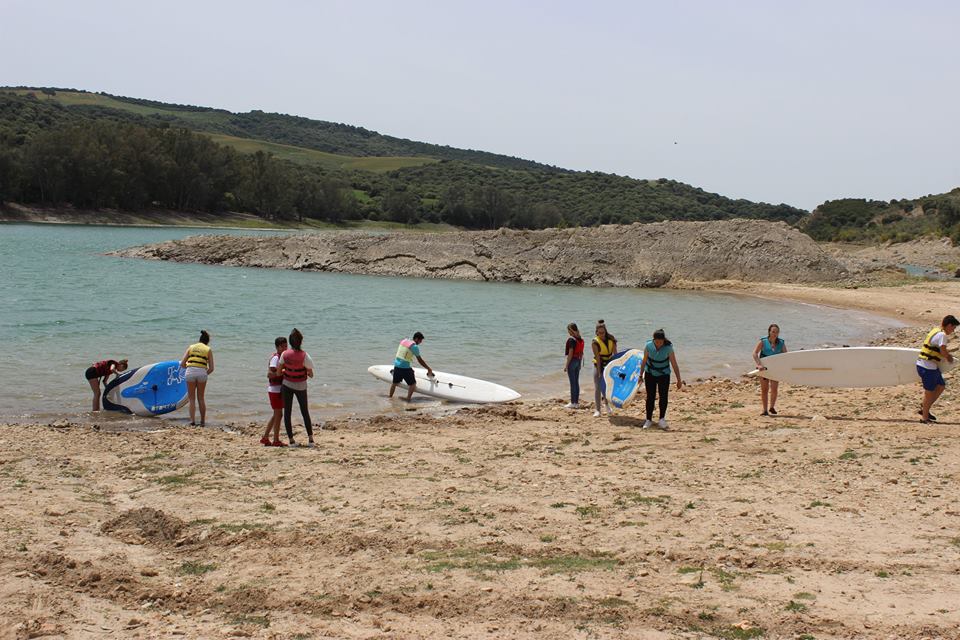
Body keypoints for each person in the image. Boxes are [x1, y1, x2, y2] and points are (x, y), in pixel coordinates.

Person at [277, 328, 315, 446]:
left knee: (287, 412)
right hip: (301, 386)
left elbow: (278, 373)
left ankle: (291, 441)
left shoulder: (284, 354)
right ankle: (310, 439)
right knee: (305, 412)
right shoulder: (305, 356)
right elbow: (311, 375)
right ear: (301, 342)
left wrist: (286, 370)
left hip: (287, 384)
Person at [917, 314, 958, 423]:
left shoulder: (936, 330)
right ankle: (924, 418)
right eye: (953, 328)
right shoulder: (942, 335)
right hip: (927, 367)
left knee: (941, 386)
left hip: (929, 366)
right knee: (929, 392)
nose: (953, 331)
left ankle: (925, 407)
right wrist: (949, 358)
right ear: (949, 325)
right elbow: (943, 351)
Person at [639, 328, 683, 430]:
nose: (658, 344)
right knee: (650, 396)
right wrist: (640, 376)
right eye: (656, 342)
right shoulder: (648, 346)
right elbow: (644, 361)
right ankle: (648, 420)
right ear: (653, 340)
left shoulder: (668, 348)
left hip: (664, 375)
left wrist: (679, 380)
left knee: (663, 396)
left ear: (664, 341)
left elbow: (674, 364)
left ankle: (662, 419)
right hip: (650, 374)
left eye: (660, 342)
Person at [180, 330, 214, 427]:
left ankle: (192, 421)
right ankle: (202, 422)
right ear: (207, 341)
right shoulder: (208, 349)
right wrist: (204, 373)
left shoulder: (191, 347)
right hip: (202, 373)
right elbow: (211, 368)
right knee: (201, 398)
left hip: (190, 372)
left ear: (199, 340)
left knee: (191, 399)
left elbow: (182, 364)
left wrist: (191, 369)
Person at [753, 324, 787, 416]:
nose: (774, 334)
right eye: (773, 331)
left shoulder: (781, 343)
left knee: (774, 389)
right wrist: (759, 365)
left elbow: (786, 356)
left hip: (775, 369)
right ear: (769, 332)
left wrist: (784, 367)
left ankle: (772, 407)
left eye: (776, 332)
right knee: (764, 389)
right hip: (763, 369)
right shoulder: (763, 341)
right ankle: (764, 410)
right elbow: (755, 354)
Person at [389, 332, 434, 401]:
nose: (420, 342)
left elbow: (404, 353)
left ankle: (390, 397)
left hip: (396, 366)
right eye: (420, 340)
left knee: (394, 383)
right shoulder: (414, 347)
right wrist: (428, 369)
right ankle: (408, 399)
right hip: (404, 368)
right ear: (416, 338)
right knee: (413, 385)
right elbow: (420, 360)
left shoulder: (404, 341)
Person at [260, 336, 288, 447]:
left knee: (277, 415)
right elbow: (271, 372)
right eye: (283, 346)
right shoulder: (276, 358)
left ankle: (265, 437)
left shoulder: (282, 357)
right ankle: (276, 440)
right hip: (275, 390)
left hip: (278, 389)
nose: (285, 348)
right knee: (278, 414)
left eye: (286, 346)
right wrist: (285, 371)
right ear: (277, 347)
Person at [592, 320, 617, 417]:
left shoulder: (612, 340)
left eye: (603, 332)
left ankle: (607, 406)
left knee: (606, 388)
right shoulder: (595, 342)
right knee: (598, 387)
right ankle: (598, 410)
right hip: (598, 364)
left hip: (609, 365)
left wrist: (617, 368)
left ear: (605, 331)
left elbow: (616, 355)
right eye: (599, 333)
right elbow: (598, 358)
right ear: (596, 332)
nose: (601, 334)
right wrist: (599, 372)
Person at [563, 323, 584, 409]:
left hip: (572, 362)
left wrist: (566, 365)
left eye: (568, 330)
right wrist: (579, 363)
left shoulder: (571, 340)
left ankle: (572, 403)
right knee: (576, 382)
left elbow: (570, 353)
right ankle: (576, 402)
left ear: (571, 330)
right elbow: (581, 352)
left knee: (572, 383)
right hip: (578, 360)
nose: (568, 332)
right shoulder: (579, 339)